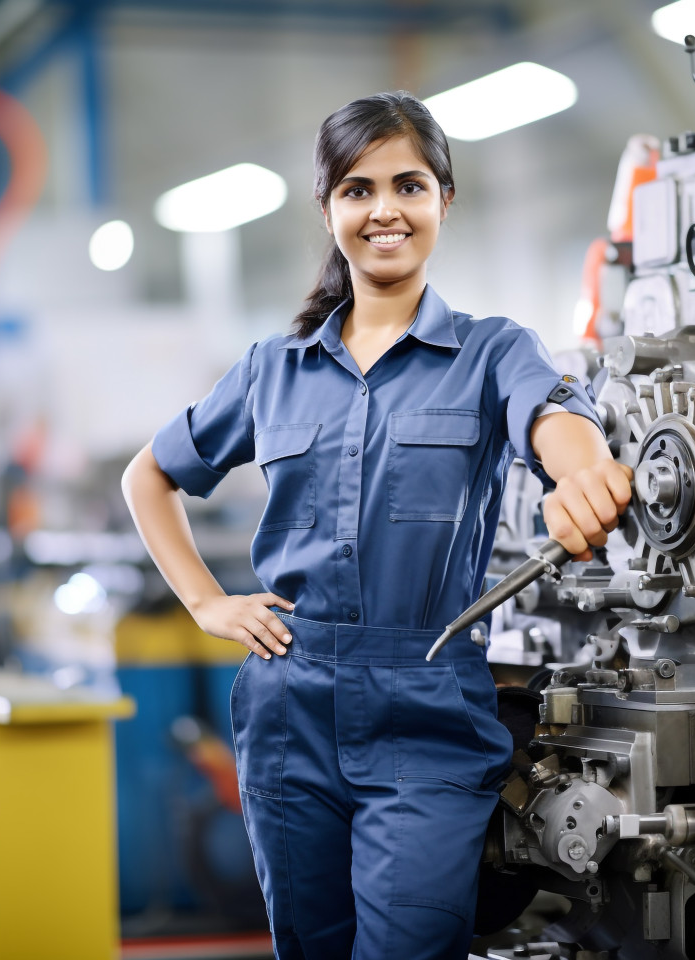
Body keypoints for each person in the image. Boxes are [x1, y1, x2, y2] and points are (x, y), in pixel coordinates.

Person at [122, 91, 633, 960]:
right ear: (327, 210)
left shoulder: (492, 351)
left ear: (444, 199)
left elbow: (555, 415)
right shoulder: (271, 371)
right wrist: (207, 604)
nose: (384, 209)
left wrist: (581, 473)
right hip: (289, 707)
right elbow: (152, 475)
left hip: (426, 706)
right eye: (357, 190)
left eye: (409, 184)